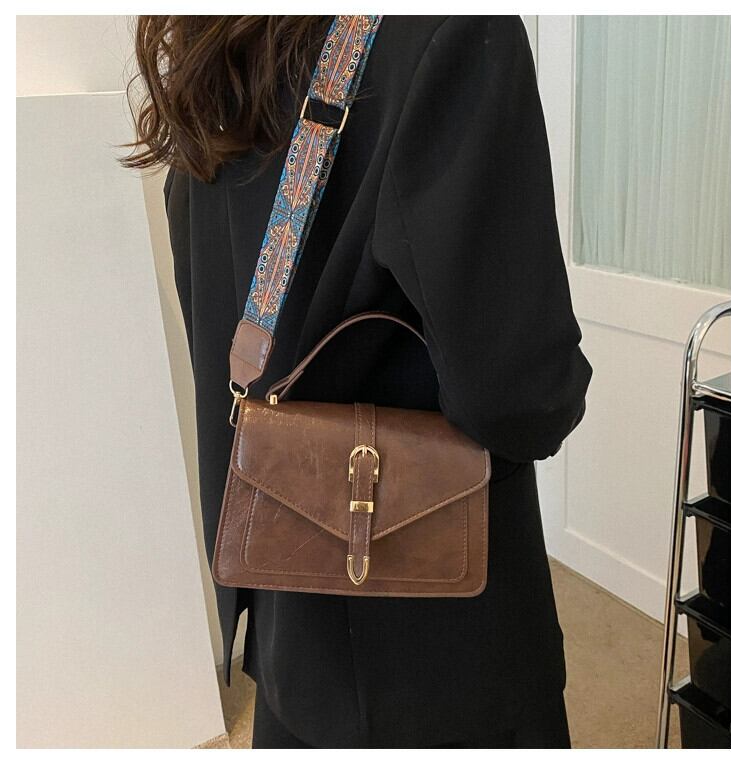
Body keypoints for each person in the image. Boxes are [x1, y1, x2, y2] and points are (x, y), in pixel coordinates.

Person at [125, 15, 592, 748]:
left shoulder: (211, 51)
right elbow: (522, 395)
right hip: (431, 647)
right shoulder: (449, 30)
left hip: (287, 619)